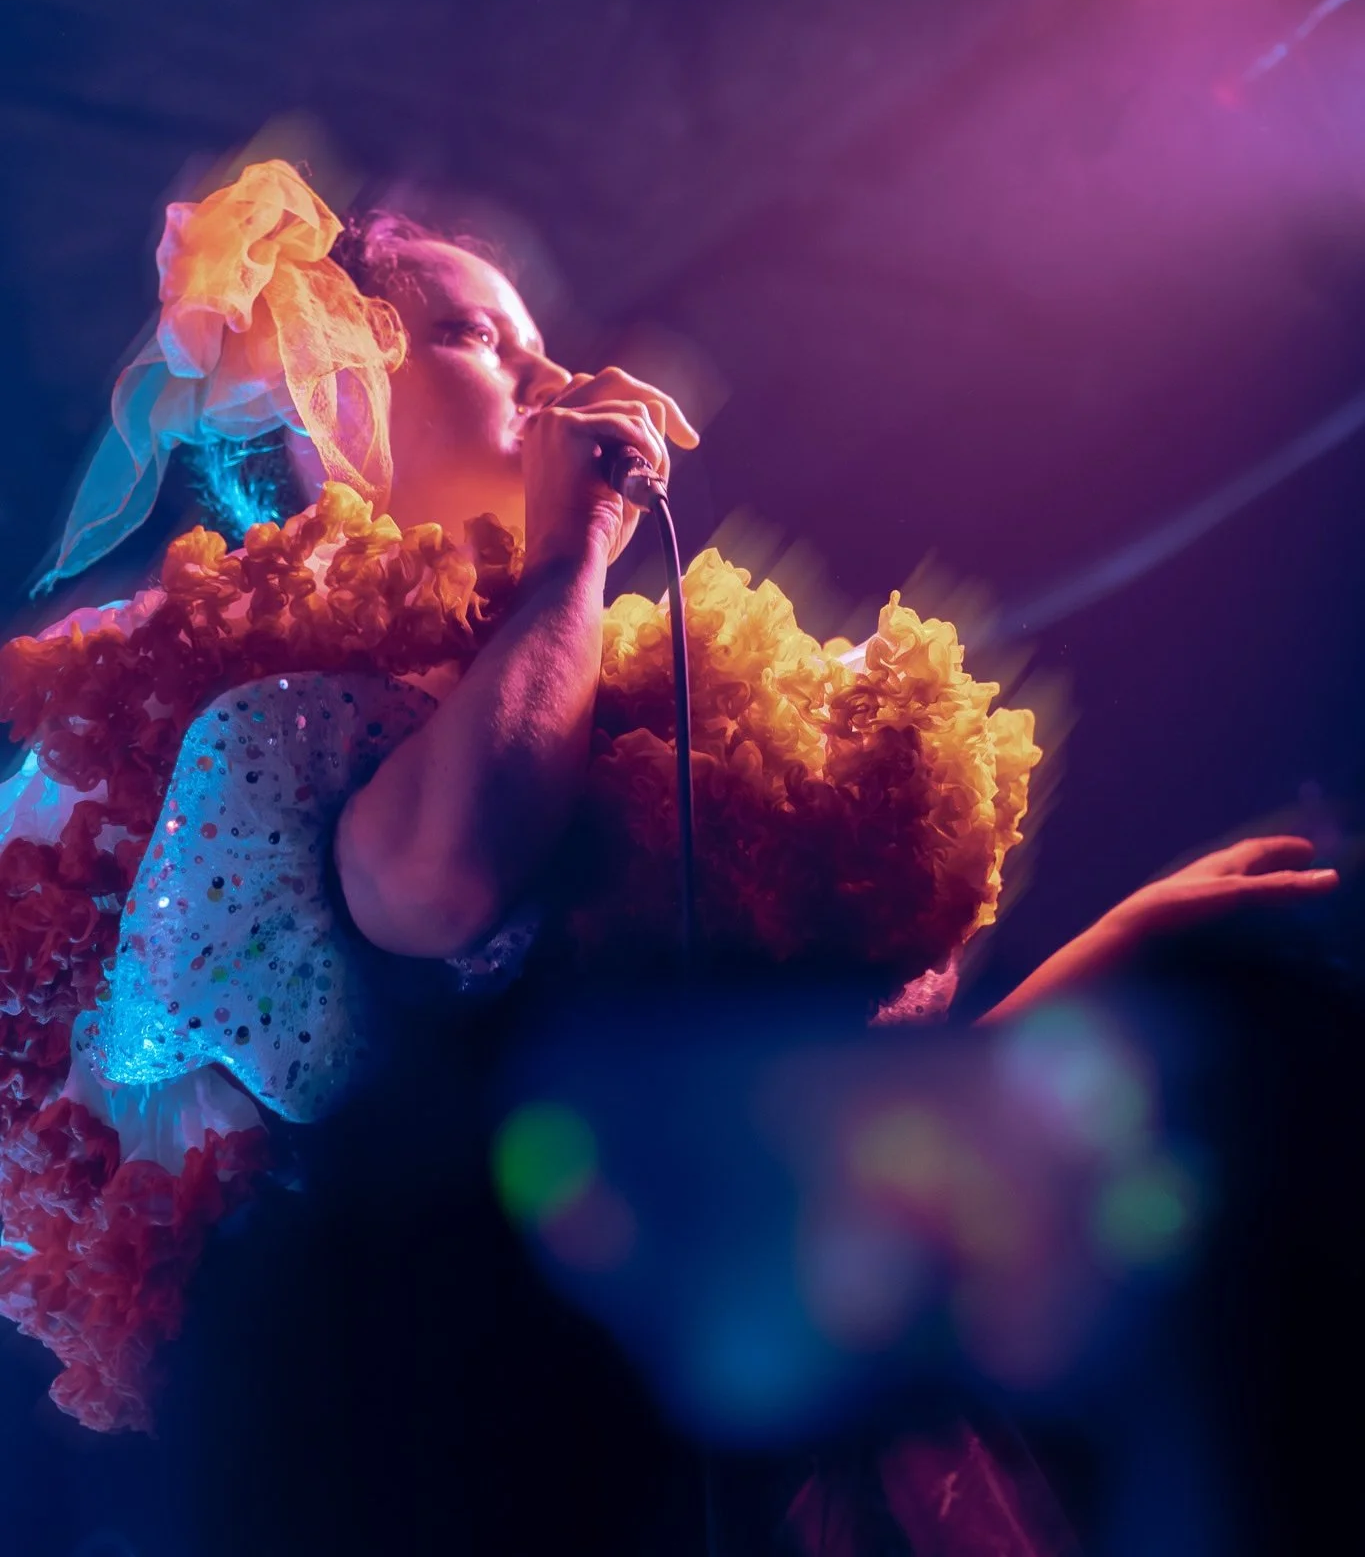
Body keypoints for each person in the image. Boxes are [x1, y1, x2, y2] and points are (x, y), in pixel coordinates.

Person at [0, 159, 1338, 1555]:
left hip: (712, 1454)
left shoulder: (615, 742)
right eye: (479, 340)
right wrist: (578, 547)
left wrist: (1130, 947)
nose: (555, 374)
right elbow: (436, 879)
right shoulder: (257, 736)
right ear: (329, 391)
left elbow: (817, 1151)